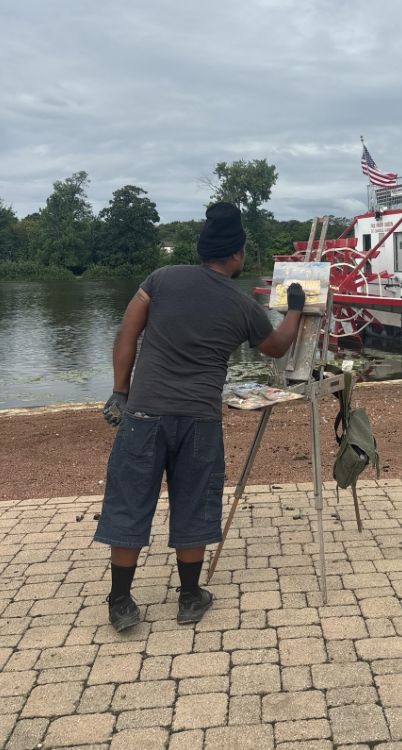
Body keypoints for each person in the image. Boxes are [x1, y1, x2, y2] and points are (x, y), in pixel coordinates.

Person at [93, 201, 306, 631]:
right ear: (237, 255)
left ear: (202, 248)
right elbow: (277, 347)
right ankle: (190, 598)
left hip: (143, 414)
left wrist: (120, 390)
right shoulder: (242, 304)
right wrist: (296, 309)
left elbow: (127, 332)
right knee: (193, 502)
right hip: (199, 419)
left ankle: (120, 602)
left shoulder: (160, 279)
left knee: (129, 502)